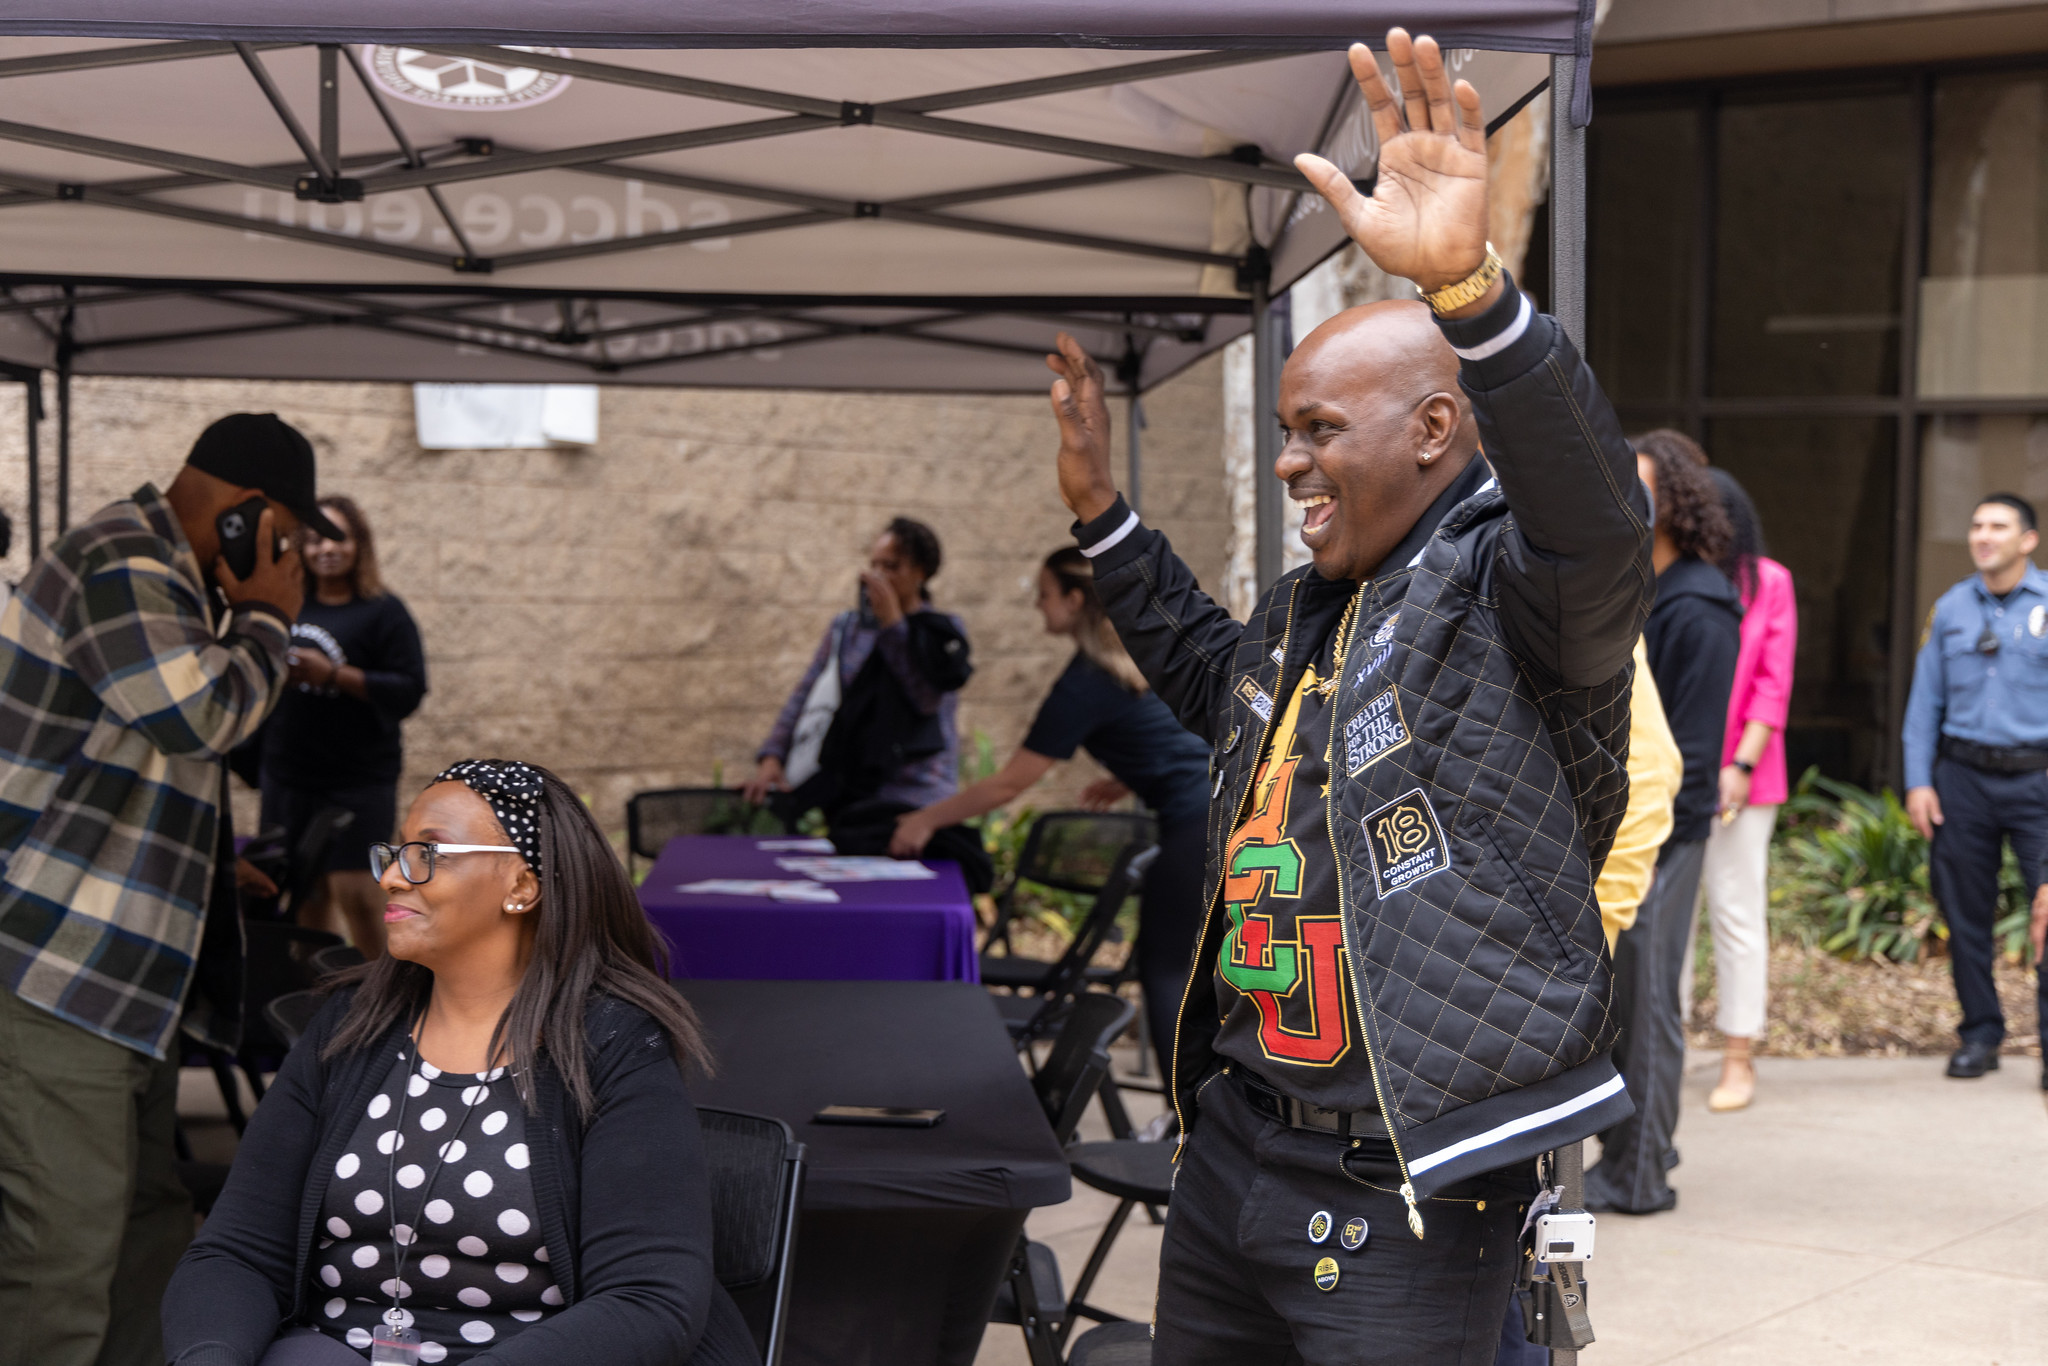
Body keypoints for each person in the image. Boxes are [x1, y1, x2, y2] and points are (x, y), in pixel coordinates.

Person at [1048, 32, 1649, 1360]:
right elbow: (1212, 677)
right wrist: (1104, 521)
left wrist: (1475, 296)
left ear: (1435, 428)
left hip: (1404, 1185)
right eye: (1284, 429)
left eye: (1321, 429)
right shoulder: (1320, 605)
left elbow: (1599, 529)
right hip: (1239, 1147)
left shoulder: (1514, 590)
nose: (1287, 462)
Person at [163, 759, 759, 1366]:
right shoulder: (349, 1028)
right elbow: (236, 1252)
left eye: (429, 853)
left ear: (522, 886)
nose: (393, 876)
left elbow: (647, 1298)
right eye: (394, 853)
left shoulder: (612, 1042)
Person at [0, 412, 333, 1366]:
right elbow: (199, 713)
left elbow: (124, 752)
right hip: (54, 967)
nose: (294, 556)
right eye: (289, 537)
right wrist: (271, 613)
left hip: (122, 981)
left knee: (148, 1220)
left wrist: (201, 856)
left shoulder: (172, 581)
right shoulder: (123, 560)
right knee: (59, 1252)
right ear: (253, 514)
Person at [888, 546, 1212, 1075]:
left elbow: (1009, 783)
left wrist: (924, 819)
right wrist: (1126, 775)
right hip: (1219, 812)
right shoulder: (1128, 663)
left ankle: (1189, 1119)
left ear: (1074, 599)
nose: (1038, 606)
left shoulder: (1085, 684)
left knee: (1166, 969)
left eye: (1043, 595)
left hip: (1196, 826)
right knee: (1194, 968)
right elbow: (1180, 741)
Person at [1583, 429, 1740, 1216]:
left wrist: (1655, 840)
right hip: (1637, 834)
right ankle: (1634, 1149)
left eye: (1641, 489)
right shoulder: (1646, 589)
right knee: (1625, 1005)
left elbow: (1695, 752)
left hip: (1665, 836)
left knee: (1645, 1009)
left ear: (1674, 504)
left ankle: (1639, 1174)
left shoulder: (1700, 606)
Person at [743, 517, 988, 890]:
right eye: (874, 565)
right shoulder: (848, 628)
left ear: (920, 572)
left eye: (891, 566)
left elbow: (925, 700)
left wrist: (893, 626)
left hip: (918, 795)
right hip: (856, 793)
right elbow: (807, 691)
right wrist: (773, 755)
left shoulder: (940, 632)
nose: (878, 575)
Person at [1903, 492, 2048, 1084]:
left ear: (2028, 540)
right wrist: (1918, 781)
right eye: (1976, 525)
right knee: (1965, 916)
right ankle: (1980, 1034)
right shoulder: (1950, 609)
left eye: (1998, 526)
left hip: (2039, 778)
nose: (1983, 535)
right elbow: (1924, 704)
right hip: (1962, 779)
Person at [259, 495, 428, 956]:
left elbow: (410, 688)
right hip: (290, 776)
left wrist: (333, 675)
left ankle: (383, 1000)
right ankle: (317, 1002)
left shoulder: (384, 611)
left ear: (360, 545)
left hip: (359, 778)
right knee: (305, 894)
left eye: (338, 537)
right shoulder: (287, 604)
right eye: (313, 540)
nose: (325, 549)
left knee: (359, 894)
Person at [1695, 468, 1796, 1113]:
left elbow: (1771, 683)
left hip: (1744, 777)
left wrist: (1740, 764)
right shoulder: (1659, 577)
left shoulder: (1769, 581)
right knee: (1663, 926)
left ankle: (1738, 1057)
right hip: (1673, 774)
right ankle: (1662, 1045)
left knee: (1734, 914)